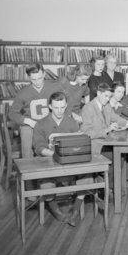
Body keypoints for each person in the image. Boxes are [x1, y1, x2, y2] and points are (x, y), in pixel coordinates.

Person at [8, 63, 74, 207]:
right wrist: (28, 121)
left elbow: (68, 102)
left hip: (51, 124)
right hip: (33, 126)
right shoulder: (23, 92)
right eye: (33, 80)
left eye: (39, 78)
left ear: (44, 74)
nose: (37, 82)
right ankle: (31, 192)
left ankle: (60, 185)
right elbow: (12, 113)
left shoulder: (54, 87)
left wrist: (65, 118)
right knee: (26, 133)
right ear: (28, 78)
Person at [32, 92, 94, 226]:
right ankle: (56, 210)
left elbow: (78, 144)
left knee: (88, 176)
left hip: (69, 164)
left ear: (66, 106)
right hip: (51, 163)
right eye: (55, 107)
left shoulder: (72, 123)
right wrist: (54, 154)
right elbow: (38, 146)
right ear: (50, 106)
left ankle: (75, 209)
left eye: (62, 107)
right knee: (46, 181)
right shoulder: (41, 124)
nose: (59, 111)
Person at [81, 83, 128, 191]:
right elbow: (87, 132)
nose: (108, 99)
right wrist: (106, 130)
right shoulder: (88, 108)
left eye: (109, 97)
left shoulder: (106, 106)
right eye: (106, 96)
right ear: (98, 93)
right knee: (119, 156)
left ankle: (118, 181)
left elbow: (116, 118)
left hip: (107, 143)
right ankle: (113, 187)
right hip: (96, 146)